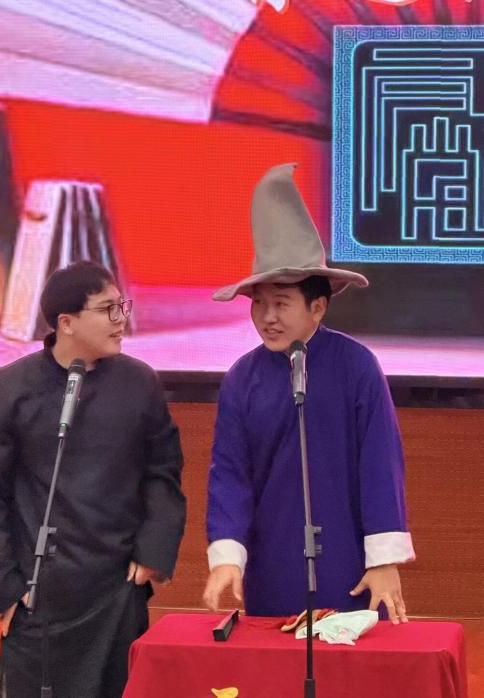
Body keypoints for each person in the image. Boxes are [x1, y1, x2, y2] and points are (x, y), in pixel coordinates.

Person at [0, 260, 186, 697]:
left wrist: (153, 553)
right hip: (37, 591)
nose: (121, 319)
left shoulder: (139, 383)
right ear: (66, 322)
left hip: (116, 587)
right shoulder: (10, 389)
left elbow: (163, 472)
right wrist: (4, 587)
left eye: (121, 306)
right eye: (107, 309)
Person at [203, 163, 415, 623]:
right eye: (259, 304)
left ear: (317, 307)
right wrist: (227, 555)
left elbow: (380, 463)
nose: (267, 317)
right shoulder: (242, 378)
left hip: (348, 560)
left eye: (281, 304)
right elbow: (231, 474)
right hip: (271, 560)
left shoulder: (356, 366)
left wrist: (383, 559)